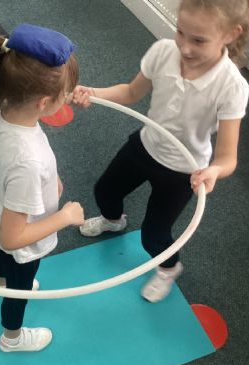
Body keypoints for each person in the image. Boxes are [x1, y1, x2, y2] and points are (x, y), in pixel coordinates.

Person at [73, 0, 249, 303]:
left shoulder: (231, 86)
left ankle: (169, 269)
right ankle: (113, 220)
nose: (185, 47)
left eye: (199, 40)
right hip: (146, 145)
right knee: (104, 191)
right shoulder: (164, 52)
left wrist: (215, 170)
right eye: (180, 32)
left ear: (231, 34)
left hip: (183, 171)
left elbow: (227, 157)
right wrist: (94, 92)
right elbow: (131, 92)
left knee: (154, 236)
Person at [0, 23, 84, 352]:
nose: (68, 98)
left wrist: (50, 181)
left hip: (1, 208)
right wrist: (65, 217)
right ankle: (12, 337)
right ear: (43, 102)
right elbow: (14, 238)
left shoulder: (2, 110)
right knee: (20, 289)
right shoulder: (28, 162)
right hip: (22, 241)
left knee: (1, 255)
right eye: (65, 94)